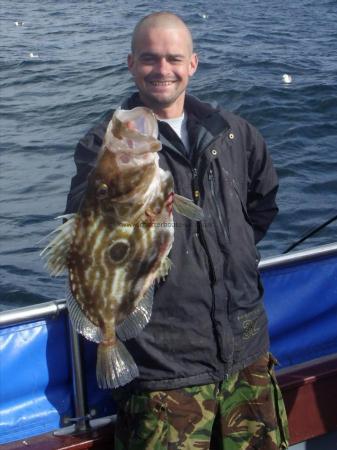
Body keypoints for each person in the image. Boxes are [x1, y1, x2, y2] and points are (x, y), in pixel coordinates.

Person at [65, 11, 289, 450]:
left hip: (247, 355)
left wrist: (230, 252)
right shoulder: (107, 143)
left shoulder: (234, 133)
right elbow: (82, 234)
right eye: (149, 59)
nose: (162, 70)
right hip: (164, 372)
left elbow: (262, 206)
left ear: (192, 64)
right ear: (131, 64)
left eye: (173, 58)